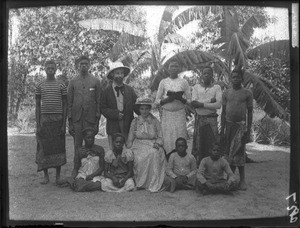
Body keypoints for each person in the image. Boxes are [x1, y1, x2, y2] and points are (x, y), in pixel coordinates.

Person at [67, 55, 102, 177]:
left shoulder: (95, 81)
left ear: (89, 65)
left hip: (90, 119)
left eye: (86, 64)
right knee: (77, 145)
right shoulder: (72, 82)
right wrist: (70, 121)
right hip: (77, 119)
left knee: (89, 143)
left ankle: (90, 169)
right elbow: (69, 103)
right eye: (81, 64)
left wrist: (97, 122)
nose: (84, 66)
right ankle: (76, 168)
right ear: (78, 65)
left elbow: (98, 102)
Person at [220, 66, 253, 191]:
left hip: (240, 127)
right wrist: (222, 130)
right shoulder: (226, 93)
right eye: (233, 77)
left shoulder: (247, 93)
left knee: (239, 153)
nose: (235, 79)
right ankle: (231, 178)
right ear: (230, 79)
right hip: (228, 126)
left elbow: (250, 112)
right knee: (228, 153)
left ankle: (242, 180)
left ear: (241, 78)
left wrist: (248, 130)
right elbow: (223, 113)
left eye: (238, 77)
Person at [35, 59, 67, 185]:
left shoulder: (61, 85)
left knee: (58, 148)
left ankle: (58, 176)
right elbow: (37, 105)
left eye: (52, 67)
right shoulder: (40, 85)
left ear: (55, 69)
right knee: (44, 148)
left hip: (58, 120)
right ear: (45, 69)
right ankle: (46, 176)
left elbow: (65, 105)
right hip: (44, 120)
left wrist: (64, 124)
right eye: (48, 67)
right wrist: (38, 123)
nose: (50, 69)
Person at [127, 97, 166, 192]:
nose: (144, 111)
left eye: (147, 109)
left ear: (150, 109)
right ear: (139, 110)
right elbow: (131, 137)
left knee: (154, 153)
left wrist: (158, 143)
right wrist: (129, 147)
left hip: (152, 143)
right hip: (138, 144)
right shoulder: (135, 121)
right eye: (142, 109)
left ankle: (152, 183)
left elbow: (160, 136)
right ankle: (140, 183)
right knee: (139, 158)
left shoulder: (155, 121)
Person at [154, 60, 191, 159]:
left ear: (179, 69)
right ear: (168, 69)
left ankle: (180, 158)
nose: (174, 68)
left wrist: (180, 98)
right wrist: (167, 100)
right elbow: (157, 100)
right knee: (167, 137)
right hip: (167, 114)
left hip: (179, 114)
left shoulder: (184, 82)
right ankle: (167, 158)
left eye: (176, 66)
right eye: (172, 66)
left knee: (180, 135)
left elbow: (190, 100)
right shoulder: (163, 82)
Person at [100, 62, 137, 150]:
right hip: (113, 124)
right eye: (117, 73)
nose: (120, 75)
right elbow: (103, 108)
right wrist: (115, 114)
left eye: (121, 73)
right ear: (112, 74)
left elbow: (136, 105)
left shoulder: (130, 90)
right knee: (113, 150)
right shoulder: (106, 91)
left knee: (128, 149)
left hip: (127, 123)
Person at [190, 66, 222, 165]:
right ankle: (200, 168)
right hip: (200, 119)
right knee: (200, 144)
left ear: (212, 75)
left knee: (212, 143)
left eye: (209, 73)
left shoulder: (217, 87)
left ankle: (213, 168)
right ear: (202, 75)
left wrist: (201, 104)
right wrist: (209, 101)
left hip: (212, 120)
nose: (207, 75)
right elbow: (194, 104)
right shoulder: (196, 87)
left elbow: (218, 105)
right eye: (205, 73)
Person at [57, 127, 105, 192]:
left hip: (96, 175)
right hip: (83, 175)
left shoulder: (100, 149)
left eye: (92, 138)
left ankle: (75, 184)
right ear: (84, 138)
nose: (90, 140)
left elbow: (102, 168)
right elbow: (76, 168)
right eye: (88, 138)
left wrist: (92, 175)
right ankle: (74, 182)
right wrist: (72, 177)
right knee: (80, 182)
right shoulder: (79, 150)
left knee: (99, 184)